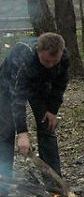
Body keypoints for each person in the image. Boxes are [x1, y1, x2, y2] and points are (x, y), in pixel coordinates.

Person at [0, 32, 69, 179]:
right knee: (7, 129)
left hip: (39, 85)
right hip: (8, 86)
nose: (51, 65)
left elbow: (60, 85)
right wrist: (22, 133)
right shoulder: (24, 59)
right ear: (39, 51)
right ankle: (4, 179)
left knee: (47, 126)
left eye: (54, 61)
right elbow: (17, 99)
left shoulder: (63, 57)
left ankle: (53, 181)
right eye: (47, 61)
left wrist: (52, 110)